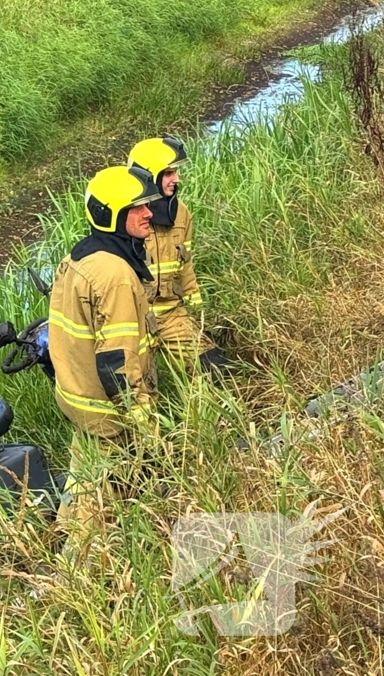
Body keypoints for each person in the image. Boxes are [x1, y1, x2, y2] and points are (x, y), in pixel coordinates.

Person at [48, 165, 163, 540]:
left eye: (147, 204)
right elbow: (118, 362)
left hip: (80, 399)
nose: (148, 213)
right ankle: (79, 573)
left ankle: (61, 538)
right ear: (110, 215)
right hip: (109, 412)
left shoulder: (80, 257)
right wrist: (147, 425)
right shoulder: (115, 275)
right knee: (97, 509)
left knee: (82, 484)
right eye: (136, 208)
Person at [127, 136, 229, 373]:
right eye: (169, 173)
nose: (176, 179)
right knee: (137, 389)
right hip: (135, 322)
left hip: (173, 316)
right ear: (148, 176)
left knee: (216, 369)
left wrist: (199, 316)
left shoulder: (181, 214)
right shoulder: (126, 219)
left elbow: (186, 268)